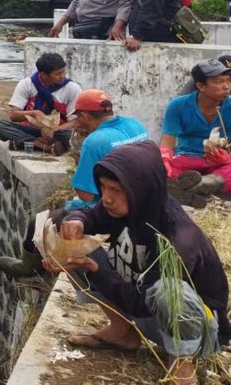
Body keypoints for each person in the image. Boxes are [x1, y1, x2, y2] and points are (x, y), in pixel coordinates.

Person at [50, 142, 229, 385]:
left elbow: (142, 302)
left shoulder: (178, 238)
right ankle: (122, 332)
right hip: (145, 308)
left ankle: (182, 361)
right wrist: (76, 221)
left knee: (167, 290)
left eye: (115, 189)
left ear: (140, 189)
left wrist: (97, 269)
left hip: (198, 331)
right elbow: (90, 215)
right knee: (71, 244)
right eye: (103, 187)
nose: (107, 198)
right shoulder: (125, 206)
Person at [0, 90, 149, 277]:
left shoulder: (95, 141)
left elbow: (85, 194)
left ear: (83, 116)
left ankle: (30, 269)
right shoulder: (136, 125)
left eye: (78, 117)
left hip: (113, 207)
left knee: (38, 222)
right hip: (141, 197)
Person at [160, 58, 231, 201]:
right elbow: (167, 141)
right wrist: (164, 160)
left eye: (228, 81)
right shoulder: (178, 105)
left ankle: (199, 187)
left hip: (220, 161)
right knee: (161, 171)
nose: (226, 87)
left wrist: (227, 155)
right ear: (201, 86)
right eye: (219, 82)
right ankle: (202, 189)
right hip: (187, 157)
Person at [0, 52, 82, 155]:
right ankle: (42, 146)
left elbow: (75, 121)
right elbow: (14, 116)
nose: (62, 76)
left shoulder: (73, 88)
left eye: (63, 72)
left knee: (72, 136)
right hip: (31, 129)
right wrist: (33, 113)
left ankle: (24, 142)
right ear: (43, 74)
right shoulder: (26, 84)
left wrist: (56, 130)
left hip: (58, 131)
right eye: (57, 74)